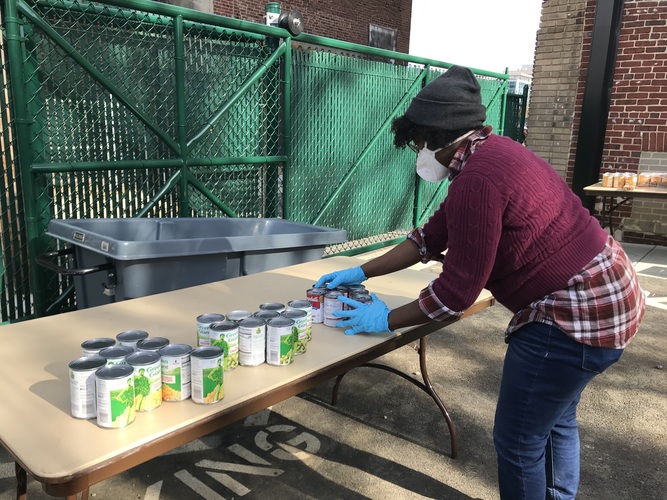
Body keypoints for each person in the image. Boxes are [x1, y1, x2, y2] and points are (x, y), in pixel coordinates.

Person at [313, 65, 645, 500]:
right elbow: (430, 237)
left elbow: (455, 294)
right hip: (612, 294)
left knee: (519, 441)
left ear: (437, 136)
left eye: (416, 141)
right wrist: (361, 270)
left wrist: (387, 318)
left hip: (573, 317)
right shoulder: (495, 152)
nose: (416, 151)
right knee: (557, 416)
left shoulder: (478, 180)